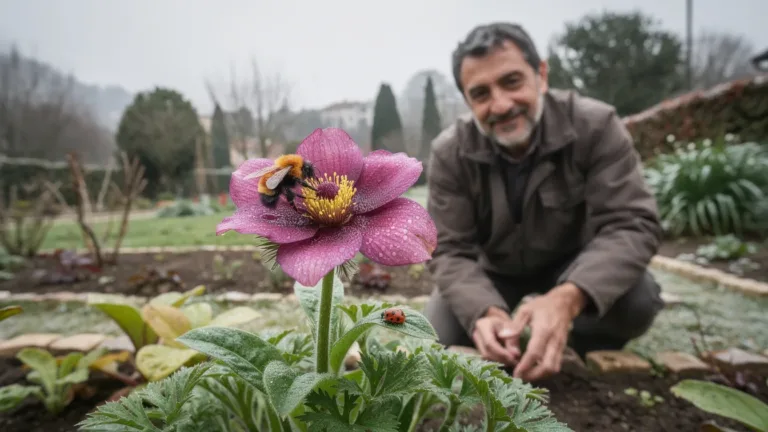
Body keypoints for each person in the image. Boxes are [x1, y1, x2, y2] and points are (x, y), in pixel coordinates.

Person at [424, 22, 665, 383]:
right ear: (467, 102)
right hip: (496, 271)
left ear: (541, 74)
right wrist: (483, 311)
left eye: (512, 82)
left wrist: (570, 297)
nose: (501, 105)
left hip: (575, 263)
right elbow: (447, 248)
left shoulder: (596, 126)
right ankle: (503, 331)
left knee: (637, 302)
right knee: (439, 330)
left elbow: (632, 223)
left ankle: (572, 342)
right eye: (481, 94)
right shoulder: (450, 152)